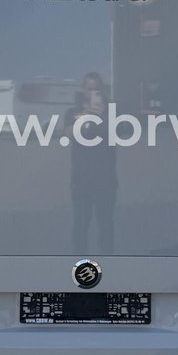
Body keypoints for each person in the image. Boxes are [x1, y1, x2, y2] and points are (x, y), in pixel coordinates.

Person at [64, 72, 117, 254]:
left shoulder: (111, 112)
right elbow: (68, 134)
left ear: (102, 90)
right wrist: (86, 116)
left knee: (106, 226)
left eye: (97, 89)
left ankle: (109, 262)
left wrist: (105, 115)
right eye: (89, 89)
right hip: (81, 181)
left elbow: (122, 132)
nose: (93, 93)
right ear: (83, 90)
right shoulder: (73, 113)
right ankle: (79, 264)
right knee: (80, 226)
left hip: (106, 180)